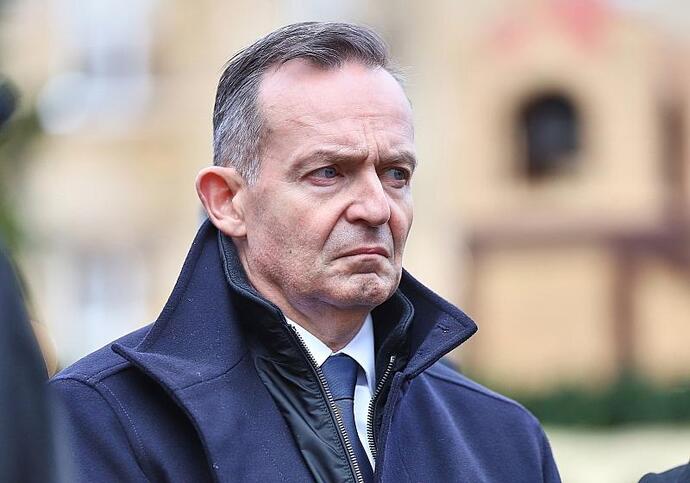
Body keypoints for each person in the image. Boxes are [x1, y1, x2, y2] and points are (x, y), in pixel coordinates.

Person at [51, 22, 561, 482]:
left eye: (395, 174)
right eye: (328, 173)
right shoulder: (103, 422)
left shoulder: (502, 438)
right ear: (227, 201)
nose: (375, 207)